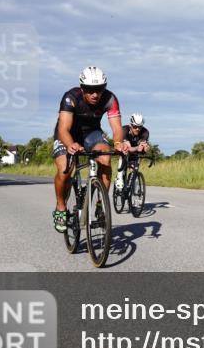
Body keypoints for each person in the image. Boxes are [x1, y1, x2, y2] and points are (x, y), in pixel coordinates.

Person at [51, 66, 124, 232]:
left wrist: (119, 145)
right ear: (82, 87)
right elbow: (63, 129)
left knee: (105, 159)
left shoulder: (110, 99)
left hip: (92, 133)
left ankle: (100, 203)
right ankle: (61, 206)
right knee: (65, 169)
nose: (95, 94)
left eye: (99, 89)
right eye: (90, 90)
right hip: (68, 133)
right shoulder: (71, 97)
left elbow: (117, 129)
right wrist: (71, 144)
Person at [115, 113, 150, 190]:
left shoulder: (145, 132)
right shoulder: (124, 130)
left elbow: (143, 144)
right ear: (130, 125)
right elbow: (129, 148)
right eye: (135, 127)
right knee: (124, 153)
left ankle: (131, 185)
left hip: (135, 153)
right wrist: (138, 147)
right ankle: (119, 177)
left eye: (140, 127)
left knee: (134, 170)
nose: (137, 129)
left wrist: (146, 147)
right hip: (125, 150)